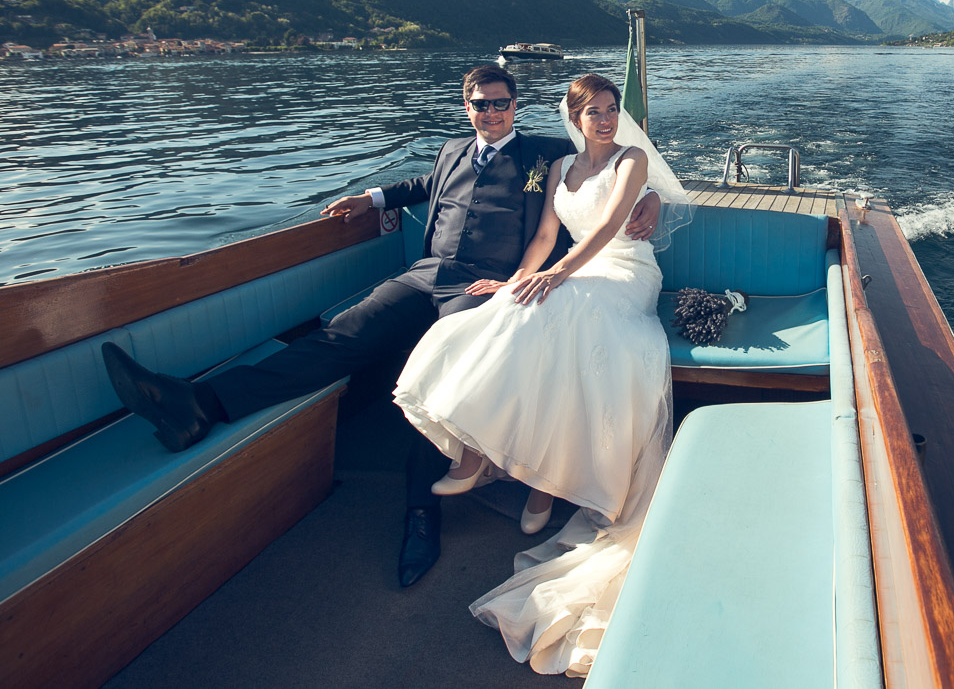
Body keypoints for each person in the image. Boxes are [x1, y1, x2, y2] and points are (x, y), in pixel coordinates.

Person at [100, 64, 662, 588]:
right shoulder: (450, 151)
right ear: (467, 106)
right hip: (424, 275)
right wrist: (368, 197)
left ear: (517, 107)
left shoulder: (546, 153)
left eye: (502, 104)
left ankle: (422, 511)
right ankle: (202, 404)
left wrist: (654, 197)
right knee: (341, 334)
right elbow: (422, 186)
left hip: (483, 285)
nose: (492, 113)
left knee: (450, 366)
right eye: (482, 104)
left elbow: (612, 165)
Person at [392, 73, 689, 676]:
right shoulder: (557, 169)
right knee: (510, 312)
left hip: (627, 273)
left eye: (612, 110)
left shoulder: (632, 161)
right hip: (577, 271)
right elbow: (545, 236)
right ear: (574, 119)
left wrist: (557, 276)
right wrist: (520, 279)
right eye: (595, 112)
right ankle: (481, 455)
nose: (606, 120)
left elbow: (606, 229)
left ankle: (544, 485)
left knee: (565, 310)